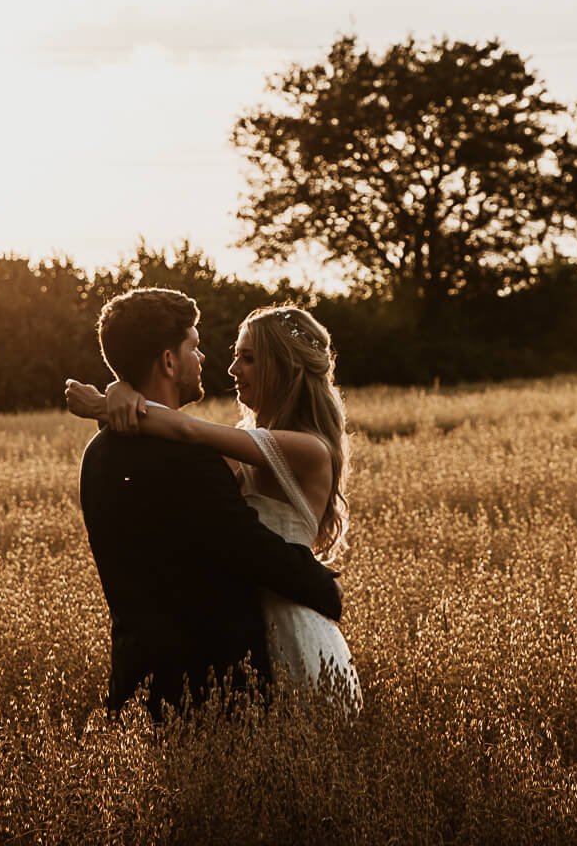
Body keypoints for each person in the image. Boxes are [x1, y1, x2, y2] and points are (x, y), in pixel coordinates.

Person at [67, 302, 361, 708]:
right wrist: (119, 392)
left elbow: (187, 430)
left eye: (248, 358)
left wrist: (112, 398)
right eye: (197, 348)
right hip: (219, 671)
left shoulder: (100, 453)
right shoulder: (209, 455)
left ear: (283, 368)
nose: (227, 367)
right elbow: (245, 547)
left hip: (285, 631)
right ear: (169, 361)